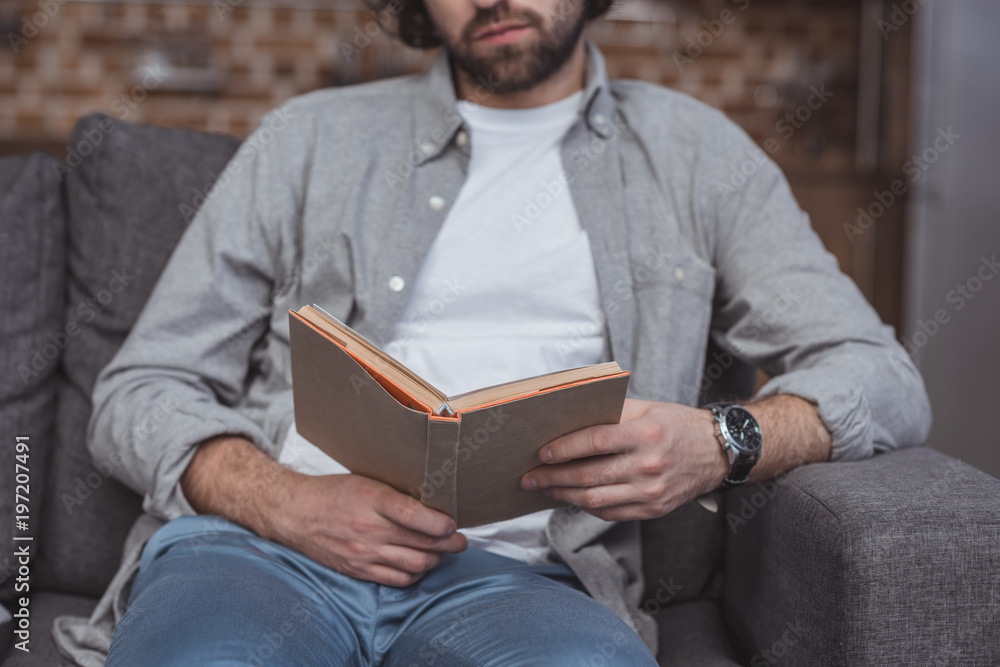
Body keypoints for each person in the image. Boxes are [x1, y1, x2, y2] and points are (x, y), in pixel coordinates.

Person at [64, 0, 930, 664]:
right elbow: (140, 389)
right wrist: (283, 502)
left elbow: (882, 376)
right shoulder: (307, 141)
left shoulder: (698, 155)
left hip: (528, 578)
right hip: (265, 553)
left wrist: (726, 438)